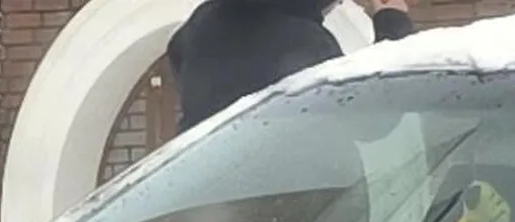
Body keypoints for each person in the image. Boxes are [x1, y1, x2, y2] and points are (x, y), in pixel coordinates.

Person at [166, 0, 417, 135]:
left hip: (197, 207)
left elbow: (177, 50)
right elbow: (371, 121)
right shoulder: (302, 41)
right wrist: (391, 22)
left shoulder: (204, 25)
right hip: (290, 212)